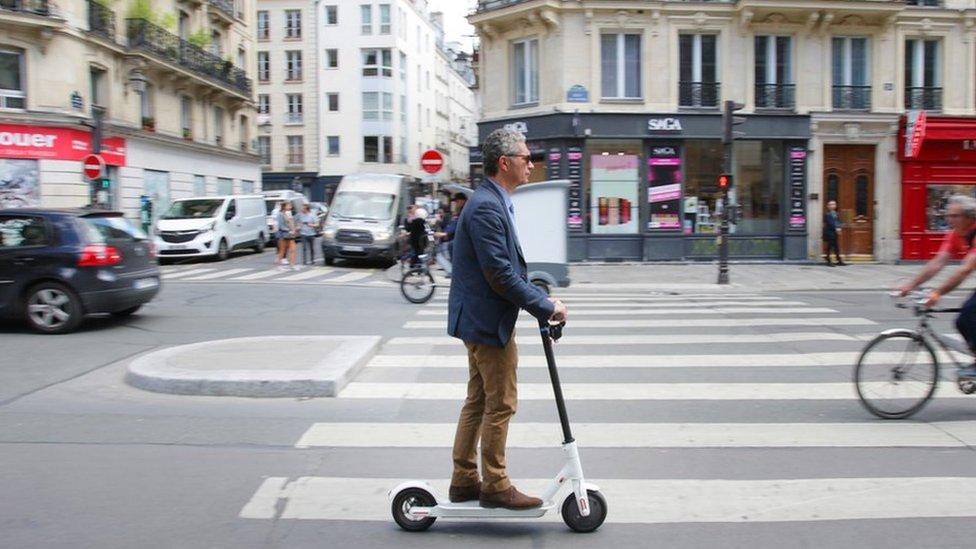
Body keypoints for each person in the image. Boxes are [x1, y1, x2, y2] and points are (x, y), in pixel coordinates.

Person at [447, 127, 568, 510]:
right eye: (525, 158)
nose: (531, 164)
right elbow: (498, 274)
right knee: (500, 403)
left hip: (480, 318)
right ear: (505, 163)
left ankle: (464, 480)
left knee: (478, 401)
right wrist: (545, 306)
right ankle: (495, 484)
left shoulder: (493, 201)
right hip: (486, 321)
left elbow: (505, 268)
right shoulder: (486, 206)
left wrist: (537, 295)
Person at [896, 195, 976, 378]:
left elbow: (965, 270)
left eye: (955, 216)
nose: (949, 220)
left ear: (970, 217)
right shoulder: (955, 234)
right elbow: (938, 262)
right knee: (963, 319)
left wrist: (938, 292)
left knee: (969, 314)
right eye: (948, 215)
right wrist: (911, 285)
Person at [275, 201, 299, 271]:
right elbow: (281, 226)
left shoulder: (288, 213)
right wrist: (289, 230)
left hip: (289, 235)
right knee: (282, 250)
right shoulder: (280, 214)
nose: (290, 207)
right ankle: (279, 266)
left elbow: (291, 222)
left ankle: (292, 265)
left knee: (293, 249)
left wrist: (294, 229)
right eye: (289, 205)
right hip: (283, 235)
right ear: (284, 206)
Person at [823, 200, 844, 266]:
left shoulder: (836, 213)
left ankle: (839, 260)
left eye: (834, 204)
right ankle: (828, 260)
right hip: (829, 233)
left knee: (836, 247)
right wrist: (836, 228)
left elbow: (838, 221)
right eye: (831, 204)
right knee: (830, 247)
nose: (833, 206)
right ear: (828, 206)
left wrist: (839, 227)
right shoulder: (827, 214)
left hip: (835, 233)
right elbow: (830, 223)